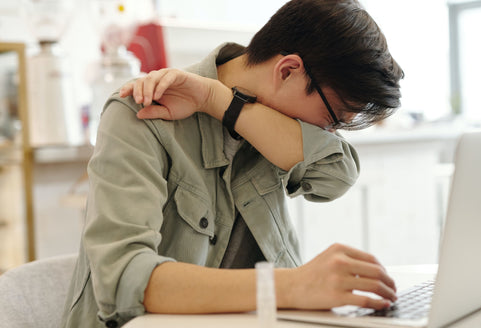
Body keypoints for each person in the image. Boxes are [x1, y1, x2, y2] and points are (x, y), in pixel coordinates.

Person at [61, 0, 404, 327]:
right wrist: (290, 286)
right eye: (332, 120)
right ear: (287, 71)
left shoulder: (269, 121)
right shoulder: (142, 112)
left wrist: (219, 101)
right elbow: (124, 279)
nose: (327, 133)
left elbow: (337, 174)